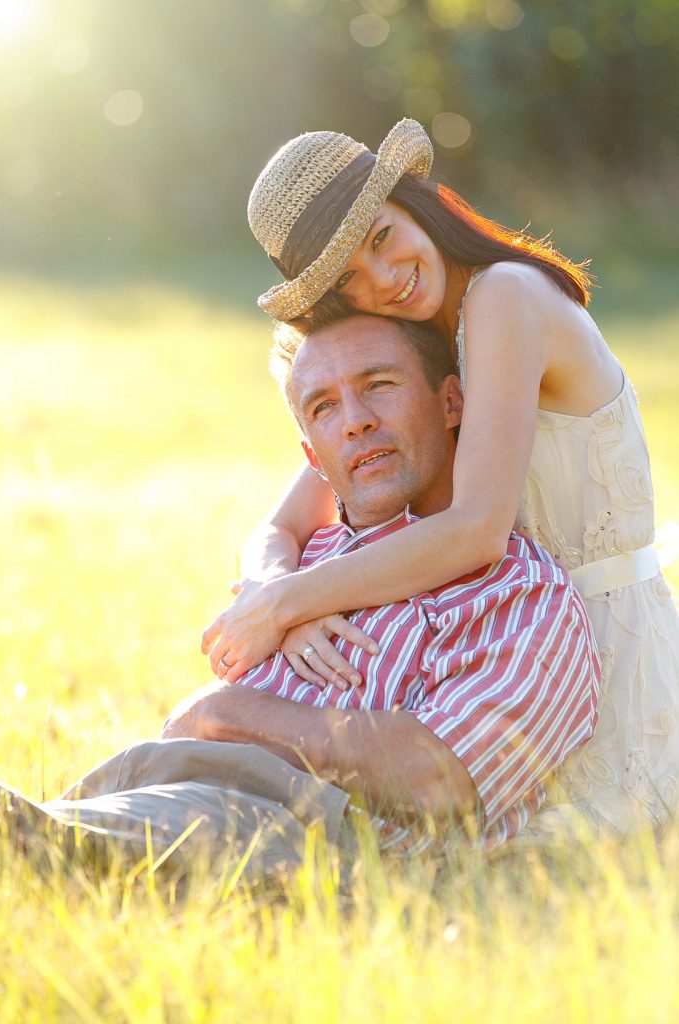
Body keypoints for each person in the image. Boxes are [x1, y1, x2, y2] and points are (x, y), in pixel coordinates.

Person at [200, 118, 679, 837]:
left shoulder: (505, 296)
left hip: (596, 651)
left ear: (413, 197)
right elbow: (286, 523)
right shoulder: (423, 328)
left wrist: (284, 606)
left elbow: (476, 531)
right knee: (348, 815)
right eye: (349, 281)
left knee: (510, 848)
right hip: (494, 650)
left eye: (382, 237)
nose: (383, 280)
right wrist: (274, 594)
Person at [0, 314, 599, 873]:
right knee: (52, 844)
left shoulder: (521, 595)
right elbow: (270, 544)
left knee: (44, 844)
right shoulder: (305, 565)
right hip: (169, 782)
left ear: (451, 402)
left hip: (311, 831)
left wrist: (230, 715)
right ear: (313, 455)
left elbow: (440, 779)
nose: (356, 420)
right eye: (324, 407)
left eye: (380, 384)